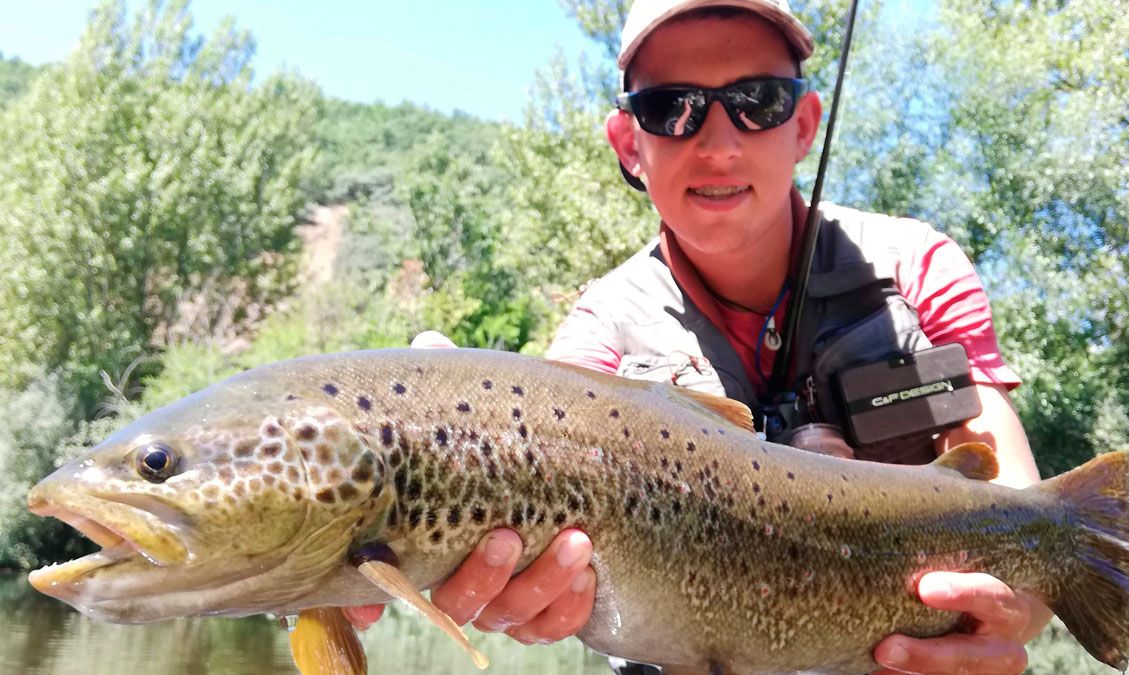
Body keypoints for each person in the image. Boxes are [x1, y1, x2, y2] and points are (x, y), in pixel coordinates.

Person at [351, 1, 1051, 672]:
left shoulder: (916, 268)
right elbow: (534, 451)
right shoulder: (603, 328)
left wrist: (1014, 611)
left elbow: (1033, 526)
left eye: (759, 102)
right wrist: (434, 435)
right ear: (630, 144)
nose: (718, 144)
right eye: (672, 108)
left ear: (804, 124)